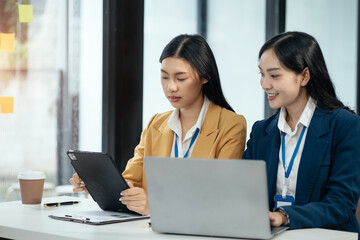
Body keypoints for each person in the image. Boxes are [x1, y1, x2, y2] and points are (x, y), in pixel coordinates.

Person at [70, 34, 247, 216]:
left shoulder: (231, 125)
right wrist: (96, 183)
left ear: (204, 77)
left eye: (180, 78)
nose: (171, 87)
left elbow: (221, 196)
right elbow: (131, 180)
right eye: (164, 77)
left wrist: (155, 206)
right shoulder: (157, 123)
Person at [243, 31, 360, 236]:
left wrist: (284, 215)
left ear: (304, 76)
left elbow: (340, 205)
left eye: (274, 75)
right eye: (262, 74)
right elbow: (242, 192)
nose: (264, 84)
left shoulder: (345, 126)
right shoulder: (261, 131)